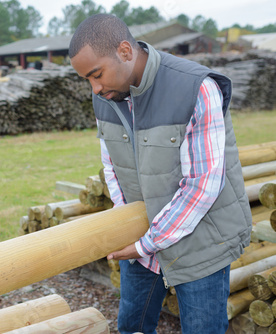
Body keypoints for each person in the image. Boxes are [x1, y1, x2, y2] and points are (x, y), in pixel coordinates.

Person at [69, 14, 252, 334]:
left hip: (202, 241)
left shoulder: (196, 88)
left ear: (125, 51)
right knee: (131, 326)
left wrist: (145, 244)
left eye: (96, 75)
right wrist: (124, 220)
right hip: (141, 234)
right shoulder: (106, 95)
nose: (94, 88)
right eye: (87, 79)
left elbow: (202, 185)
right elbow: (111, 164)